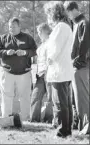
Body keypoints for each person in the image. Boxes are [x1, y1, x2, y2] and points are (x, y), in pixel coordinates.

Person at [0, 17, 37, 121]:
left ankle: (26, 118)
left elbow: (34, 50)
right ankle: (6, 118)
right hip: (7, 72)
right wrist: (5, 52)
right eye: (10, 27)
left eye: (14, 26)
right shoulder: (3, 38)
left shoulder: (27, 38)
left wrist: (25, 53)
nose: (11, 28)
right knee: (7, 96)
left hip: (24, 72)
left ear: (19, 26)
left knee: (25, 96)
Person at [44, 1, 74, 138]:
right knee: (65, 103)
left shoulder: (61, 27)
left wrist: (49, 59)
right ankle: (67, 130)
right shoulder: (65, 26)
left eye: (48, 14)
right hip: (63, 70)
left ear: (54, 13)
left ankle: (63, 131)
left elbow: (55, 49)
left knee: (60, 104)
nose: (48, 17)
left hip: (59, 71)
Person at [64, 1, 89, 135]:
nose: (68, 16)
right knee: (75, 99)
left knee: (82, 99)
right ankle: (79, 125)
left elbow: (85, 45)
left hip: (81, 67)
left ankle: (86, 128)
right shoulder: (76, 24)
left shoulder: (84, 23)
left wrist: (78, 62)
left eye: (67, 13)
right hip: (76, 67)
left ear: (72, 10)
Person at [30, 23, 53, 123]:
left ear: (46, 31)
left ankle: (49, 119)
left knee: (50, 98)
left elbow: (50, 60)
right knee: (35, 97)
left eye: (40, 31)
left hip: (48, 74)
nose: (39, 34)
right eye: (38, 32)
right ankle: (34, 119)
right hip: (40, 75)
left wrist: (48, 73)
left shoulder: (51, 43)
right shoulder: (42, 45)